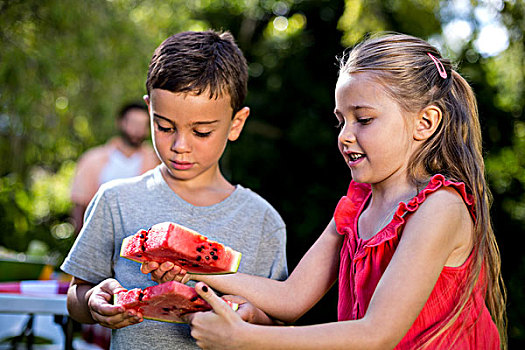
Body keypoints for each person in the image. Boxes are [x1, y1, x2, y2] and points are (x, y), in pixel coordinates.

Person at [176, 33, 507, 349]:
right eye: (341, 121)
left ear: (425, 123)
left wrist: (247, 340)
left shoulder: (439, 208)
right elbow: (291, 298)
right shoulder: (356, 207)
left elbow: (376, 335)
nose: (345, 135)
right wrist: (190, 266)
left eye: (363, 119)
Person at [60, 30, 288, 350]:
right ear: (149, 109)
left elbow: (280, 323)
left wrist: (253, 319)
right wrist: (94, 302)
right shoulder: (116, 200)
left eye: (202, 131)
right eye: (165, 127)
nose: (180, 146)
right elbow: (77, 295)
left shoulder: (263, 220)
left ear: (236, 123)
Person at [70, 102, 160, 234]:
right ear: (121, 123)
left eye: (143, 125)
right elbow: (80, 205)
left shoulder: (156, 161)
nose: (138, 130)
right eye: (133, 123)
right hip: (100, 234)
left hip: (140, 239)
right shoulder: (92, 159)